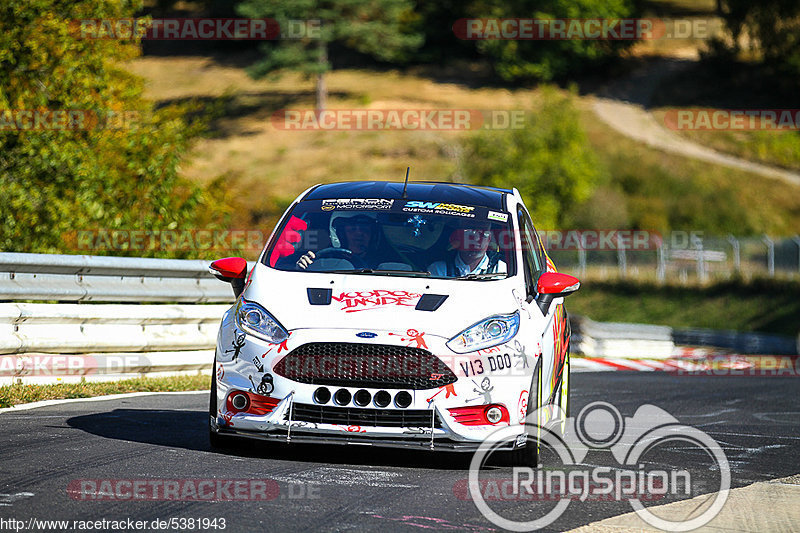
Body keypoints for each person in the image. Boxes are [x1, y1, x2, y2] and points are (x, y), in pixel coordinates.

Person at [296, 213, 381, 269]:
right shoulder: (324, 261)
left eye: (364, 229)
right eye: (352, 229)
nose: (359, 233)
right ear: (340, 233)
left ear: (373, 234)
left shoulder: (384, 265)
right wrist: (301, 268)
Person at [427, 221, 507, 277]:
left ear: (489, 239)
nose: (476, 239)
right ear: (459, 237)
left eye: (482, 234)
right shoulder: (439, 270)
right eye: (469, 234)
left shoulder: (500, 271)